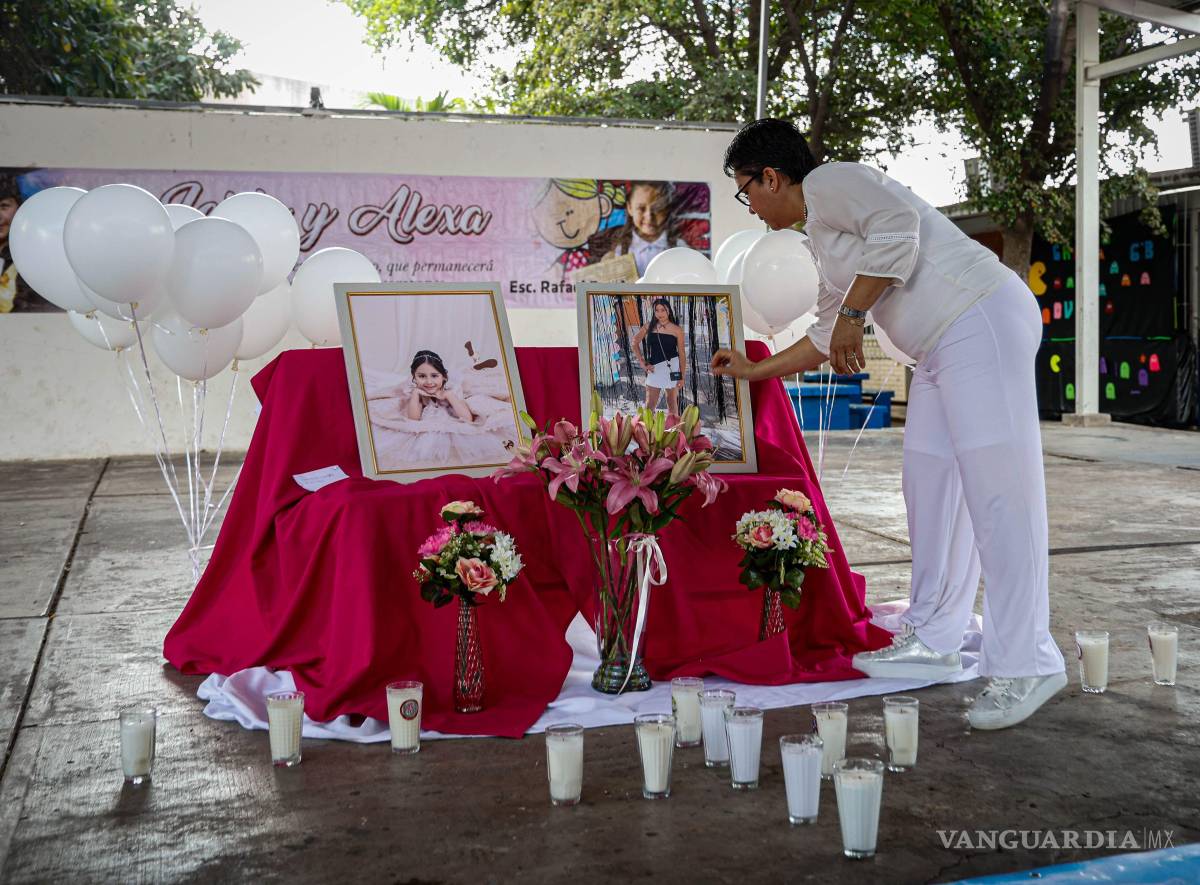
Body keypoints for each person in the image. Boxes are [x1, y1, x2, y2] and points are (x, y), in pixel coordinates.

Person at [710, 119, 1066, 731]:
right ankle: (934, 632)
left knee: (999, 495)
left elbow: (897, 230)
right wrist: (752, 370)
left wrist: (853, 312)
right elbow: (825, 335)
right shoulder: (820, 236)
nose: (752, 205)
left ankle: (1029, 660)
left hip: (978, 318)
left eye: (747, 190)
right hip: (936, 349)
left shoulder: (832, 182)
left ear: (771, 176)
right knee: (929, 486)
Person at [607, 181, 676, 276]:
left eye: (657, 208)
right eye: (641, 208)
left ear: (667, 209)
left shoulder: (679, 248)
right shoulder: (620, 251)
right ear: (630, 208)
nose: (649, 217)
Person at [631, 298, 686, 417]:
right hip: (654, 368)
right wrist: (642, 362)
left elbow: (682, 354)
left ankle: (673, 433)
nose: (660, 313)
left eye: (663, 310)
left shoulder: (677, 330)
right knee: (650, 405)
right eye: (657, 310)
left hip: (672, 367)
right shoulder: (648, 326)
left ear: (669, 311)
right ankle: (647, 434)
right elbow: (634, 342)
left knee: (672, 404)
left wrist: (682, 376)